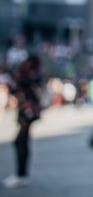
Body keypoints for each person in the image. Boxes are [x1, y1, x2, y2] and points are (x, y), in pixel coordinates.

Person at [3, 55, 43, 189]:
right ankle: (21, 174)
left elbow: (26, 84)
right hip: (26, 111)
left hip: (28, 112)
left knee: (21, 141)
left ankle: (21, 175)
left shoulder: (31, 75)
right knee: (21, 141)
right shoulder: (27, 74)